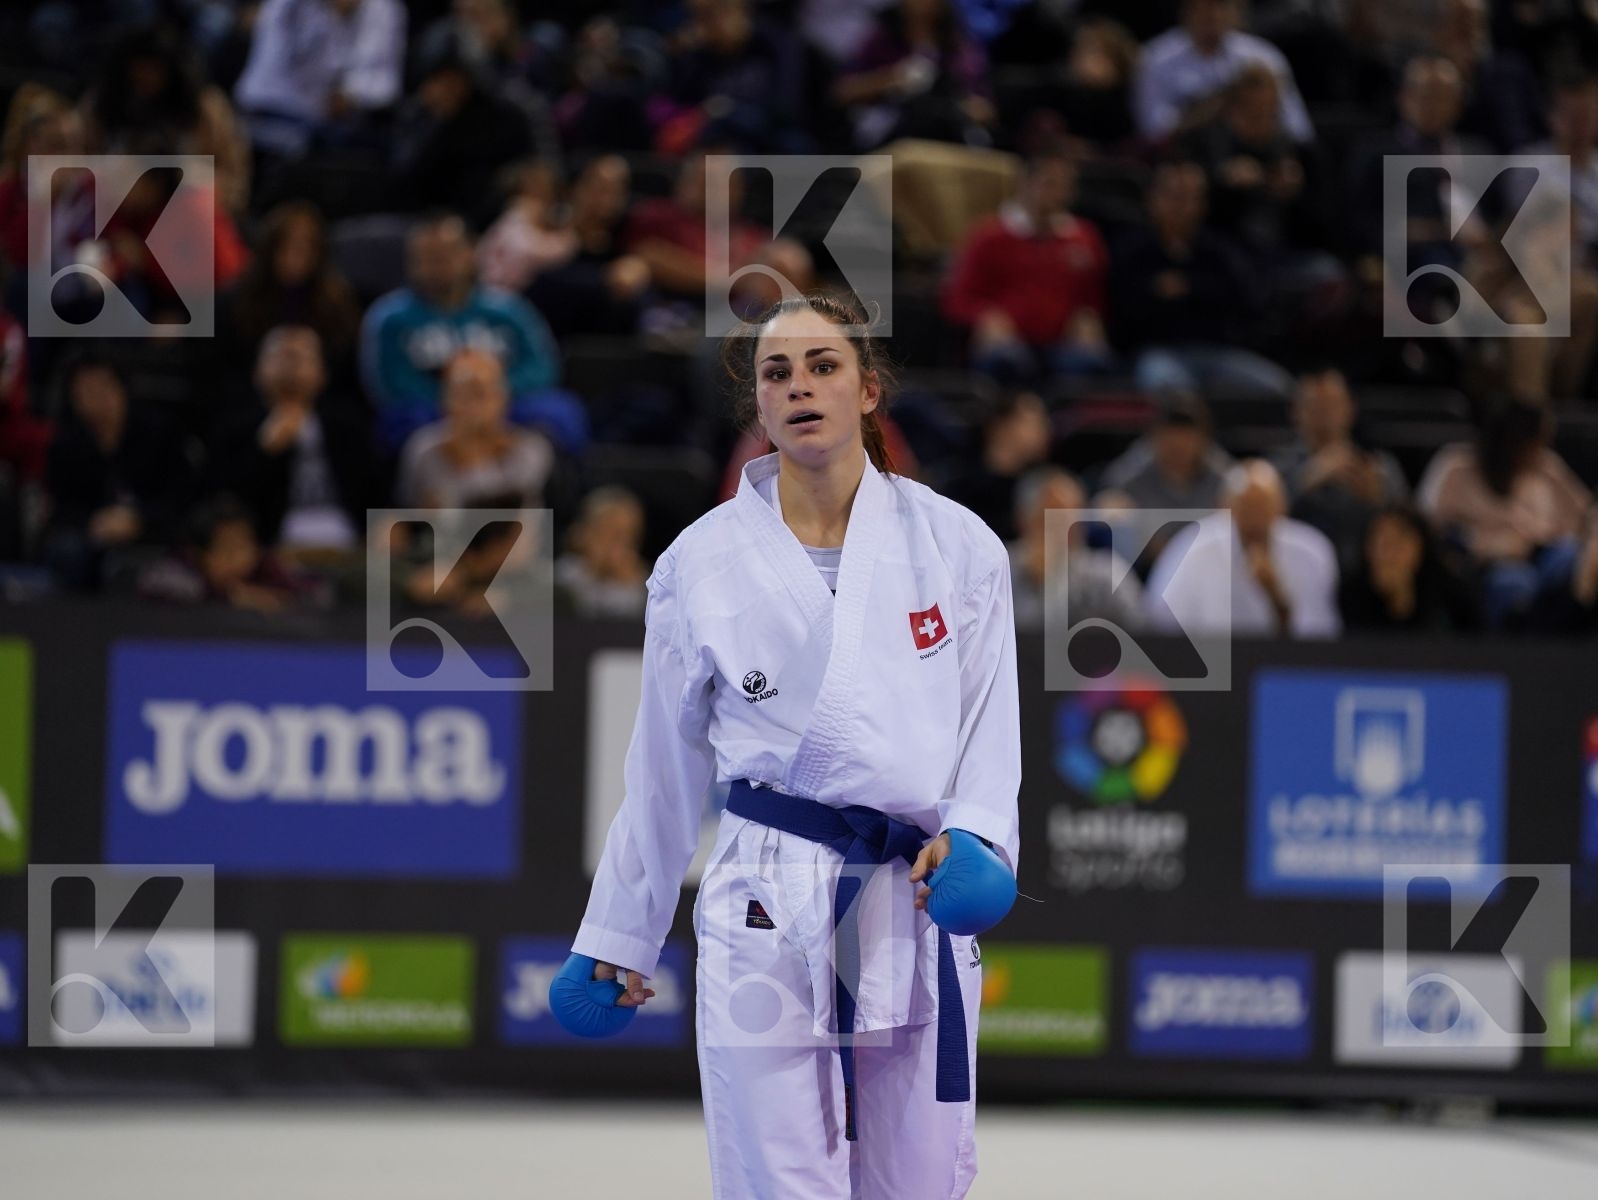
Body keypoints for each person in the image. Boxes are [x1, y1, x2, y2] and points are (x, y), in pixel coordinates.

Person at [564, 294, 1019, 1198]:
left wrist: (977, 835)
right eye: (778, 373)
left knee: (921, 1179)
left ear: (869, 390)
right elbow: (662, 767)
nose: (800, 387)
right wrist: (620, 931)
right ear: (758, 406)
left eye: (823, 367)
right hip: (765, 892)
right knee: (774, 1175)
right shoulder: (698, 564)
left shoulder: (957, 545)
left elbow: (988, 722)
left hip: (911, 887)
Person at [940, 146, 1112, 384]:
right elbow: (956, 301)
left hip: (1063, 347)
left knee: (1091, 363)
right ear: (1026, 182)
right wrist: (987, 316)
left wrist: (1088, 319)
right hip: (1008, 345)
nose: (1058, 193)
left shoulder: (1084, 237)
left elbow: (1093, 300)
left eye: (1065, 185)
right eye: (1050, 183)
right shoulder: (989, 237)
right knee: (1005, 361)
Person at [1416, 397, 1593, 629]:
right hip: (1487, 566)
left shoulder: (1546, 466)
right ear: (1512, 442)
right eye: (1533, 444)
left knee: (1569, 558)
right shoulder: (1456, 466)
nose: (1538, 452)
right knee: (1515, 583)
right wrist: (1485, 546)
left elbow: (1588, 511)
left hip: (1544, 557)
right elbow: (1426, 527)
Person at [1144, 458, 1341, 638]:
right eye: (1246, 509)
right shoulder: (1192, 548)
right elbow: (1161, 621)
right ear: (1225, 507)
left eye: (1263, 508)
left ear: (1282, 507)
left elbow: (1320, 636)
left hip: (1285, 669)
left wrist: (1277, 599)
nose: (1255, 520)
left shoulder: (1311, 552)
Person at [395, 347, 554, 509]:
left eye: (482, 394)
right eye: (465, 393)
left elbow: (527, 522)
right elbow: (410, 517)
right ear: (446, 399)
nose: (475, 406)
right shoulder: (422, 449)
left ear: (503, 398)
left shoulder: (531, 451)